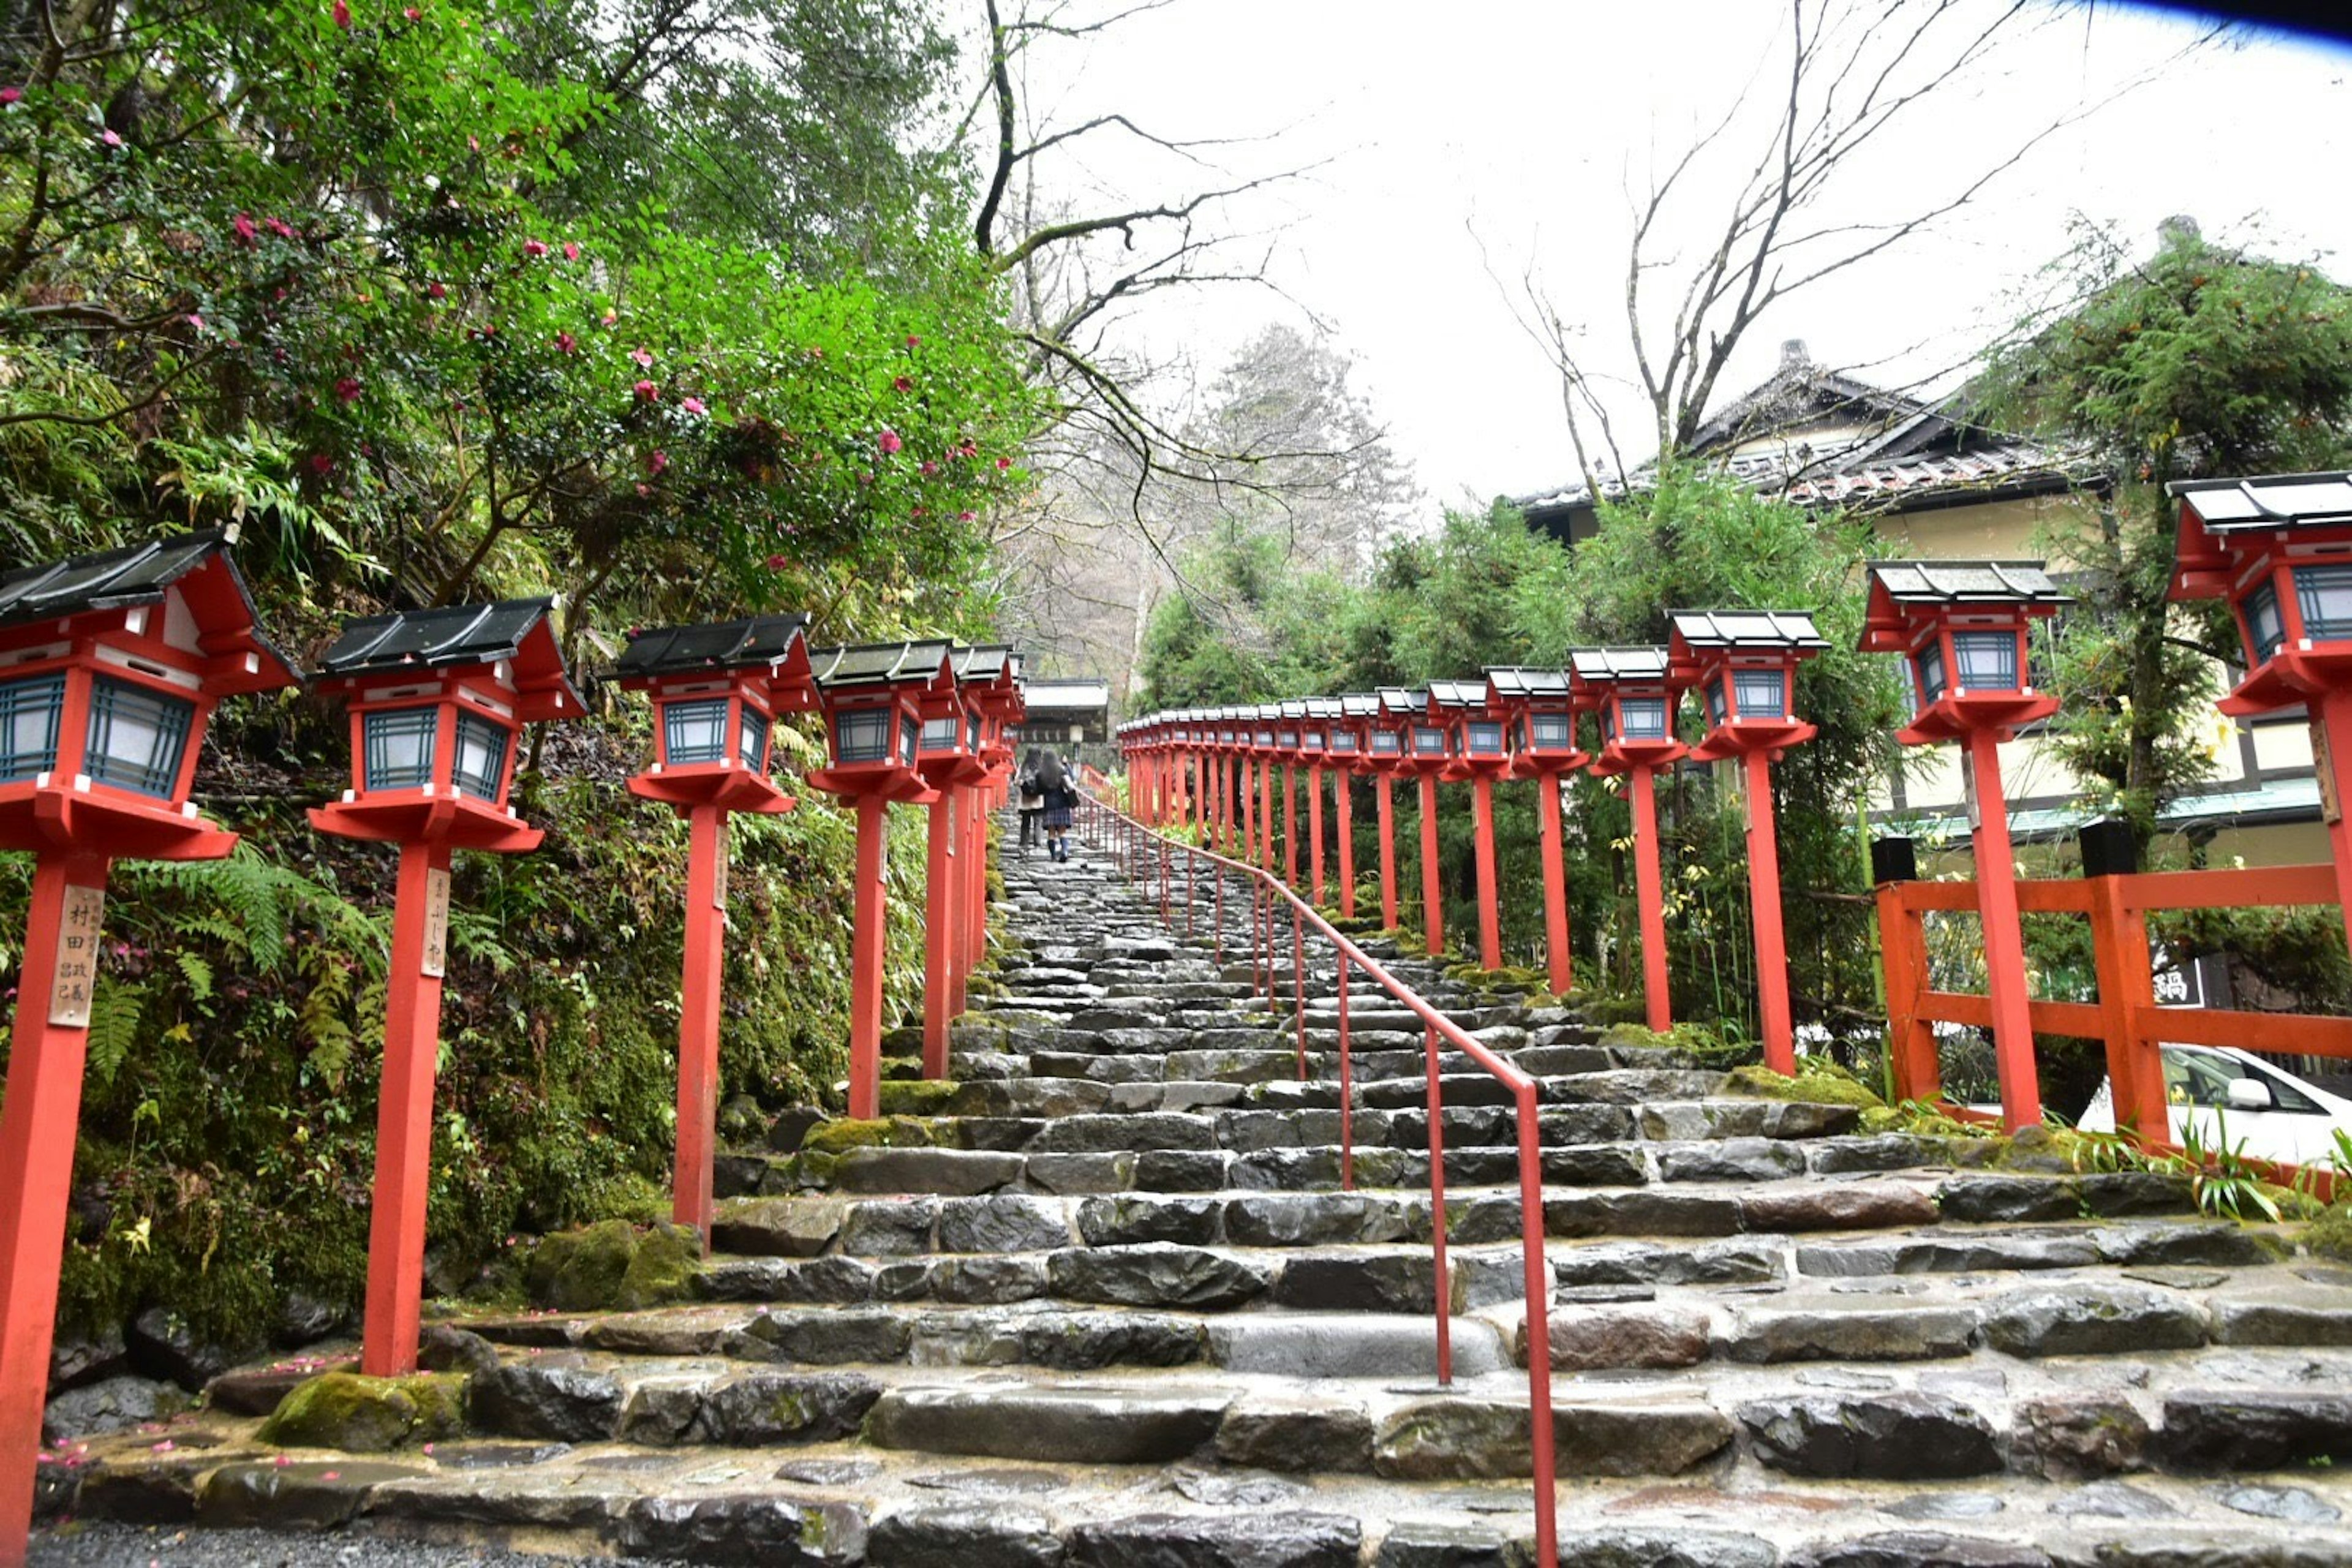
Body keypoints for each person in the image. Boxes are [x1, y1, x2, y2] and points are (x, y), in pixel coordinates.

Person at [1036, 749, 1076, 862]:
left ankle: (1053, 856)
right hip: (1062, 803)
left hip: (1048, 805)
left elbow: (1038, 790)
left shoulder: (1041, 774)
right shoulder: (1061, 770)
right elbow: (1070, 784)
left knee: (1051, 833)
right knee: (1062, 832)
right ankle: (1065, 851)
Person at [1017, 748, 1046, 854]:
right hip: (1038, 800)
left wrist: (1024, 784)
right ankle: (1038, 844)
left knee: (1025, 823)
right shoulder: (1042, 767)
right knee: (1038, 823)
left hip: (1025, 801)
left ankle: (1024, 844)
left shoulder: (1023, 767)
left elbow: (1017, 781)